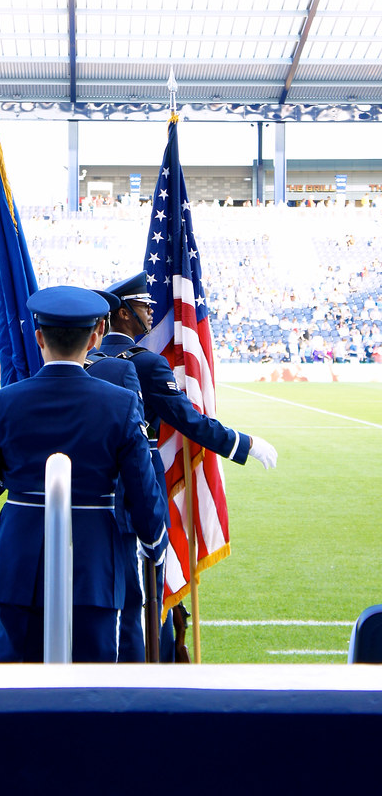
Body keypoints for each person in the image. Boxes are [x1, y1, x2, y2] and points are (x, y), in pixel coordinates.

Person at [0, 285, 168, 664]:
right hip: (95, 562)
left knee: (18, 688)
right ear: (95, 337)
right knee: (93, 688)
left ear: (39, 337)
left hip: (18, 562)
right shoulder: (122, 403)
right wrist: (155, 546)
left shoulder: (2, 401)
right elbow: (144, 497)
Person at [101, 271, 278, 661]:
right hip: (134, 496)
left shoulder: (89, 362)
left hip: (90, 498)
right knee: (141, 595)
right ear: (125, 314)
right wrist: (243, 445)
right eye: (145, 306)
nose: (152, 311)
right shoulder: (144, 363)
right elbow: (189, 420)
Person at [84, 290, 154, 662]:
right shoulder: (127, 368)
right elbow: (137, 460)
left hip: (36, 539)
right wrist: (155, 536)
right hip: (116, 515)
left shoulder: (4, 400)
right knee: (125, 617)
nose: (151, 313)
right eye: (144, 307)